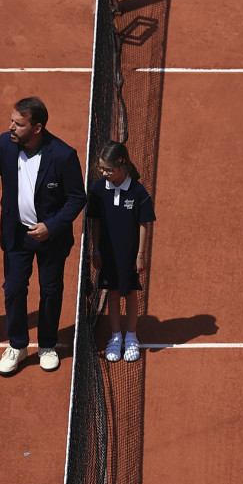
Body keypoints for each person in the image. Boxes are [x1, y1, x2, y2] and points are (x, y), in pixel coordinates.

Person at [0, 97, 86, 376]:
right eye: (12, 121)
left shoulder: (63, 155)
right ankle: (17, 345)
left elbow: (77, 198)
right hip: (17, 234)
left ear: (37, 127)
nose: (11, 128)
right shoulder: (5, 144)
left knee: (50, 290)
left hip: (50, 238)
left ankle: (47, 345)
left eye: (18, 124)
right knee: (14, 288)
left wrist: (50, 226)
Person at [87, 141, 155, 362]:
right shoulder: (98, 190)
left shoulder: (137, 191)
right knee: (113, 294)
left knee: (130, 294)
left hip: (129, 254)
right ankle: (116, 337)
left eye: (108, 169)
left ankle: (132, 337)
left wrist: (140, 255)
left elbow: (144, 223)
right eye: (101, 168)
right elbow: (95, 221)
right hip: (106, 253)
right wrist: (96, 249)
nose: (104, 172)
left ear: (121, 164)